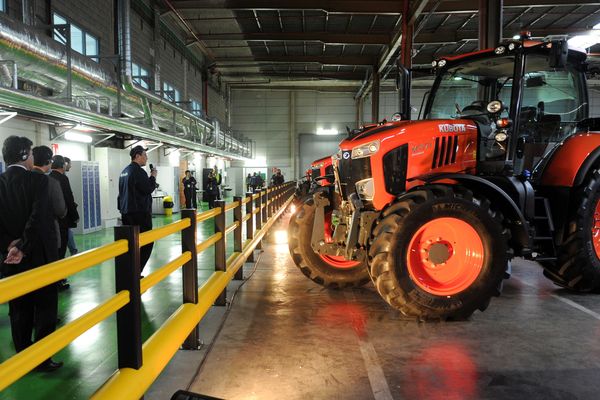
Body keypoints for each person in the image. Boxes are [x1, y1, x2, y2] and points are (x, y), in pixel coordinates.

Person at [0, 136, 62, 372]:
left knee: (19, 308)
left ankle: (23, 357)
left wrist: (10, 246)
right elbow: (38, 219)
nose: (34, 158)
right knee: (46, 307)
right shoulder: (38, 181)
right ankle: (42, 358)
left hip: (9, 259)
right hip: (39, 257)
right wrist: (23, 246)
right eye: (32, 154)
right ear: (25, 155)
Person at [118, 145, 157, 274]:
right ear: (137, 156)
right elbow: (147, 189)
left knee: (130, 245)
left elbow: (121, 193)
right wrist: (153, 177)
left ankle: (130, 272)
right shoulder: (138, 172)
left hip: (126, 213)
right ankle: (136, 272)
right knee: (146, 242)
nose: (146, 158)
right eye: (145, 155)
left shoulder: (124, 172)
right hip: (139, 213)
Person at [50, 155, 79, 290]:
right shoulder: (62, 178)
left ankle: (54, 279)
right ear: (62, 166)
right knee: (61, 252)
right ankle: (58, 280)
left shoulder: (48, 178)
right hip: (63, 221)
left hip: (51, 222)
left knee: (54, 251)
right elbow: (68, 198)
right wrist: (75, 216)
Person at [32, 146, 67, 256]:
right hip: (47, 235)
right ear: (48, 161)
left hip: (24, 239)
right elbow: (60, 210)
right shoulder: (51, 183)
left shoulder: (23, 180)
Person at [63, 157, 78, 256]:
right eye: (70, 164)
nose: (71, 166)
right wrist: (74, 215)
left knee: (68, 231)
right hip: (63, 211)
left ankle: (73, 249)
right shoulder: (63, 178)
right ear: (65, 164)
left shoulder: (63, 176)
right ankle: (73, 250)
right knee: (68, 231)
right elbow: (68, 196)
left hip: (64, 210)